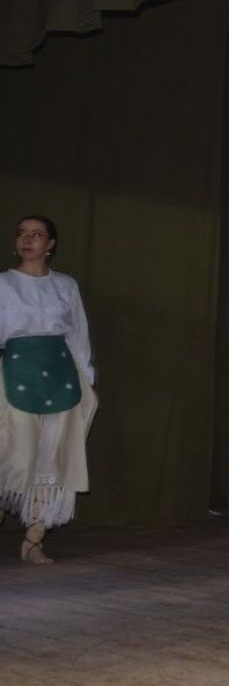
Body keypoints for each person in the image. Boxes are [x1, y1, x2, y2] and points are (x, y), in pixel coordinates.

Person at [0, 215, 98, 564]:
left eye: (37, 234)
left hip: (60, 375)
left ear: (50, 244)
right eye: (22, 234)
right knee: (15, 453)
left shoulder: (65, 286)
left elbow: (78, 334)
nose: (28, 240)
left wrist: (86, 376)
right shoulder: (4, 285)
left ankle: (35, 539)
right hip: (16, 372)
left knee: (52, 457)